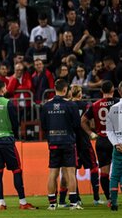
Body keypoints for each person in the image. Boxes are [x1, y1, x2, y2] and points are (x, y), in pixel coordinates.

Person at [0, 79, 37, 210]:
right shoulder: (8, 103)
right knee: (16, 170)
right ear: (2, 89)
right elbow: (15, 122)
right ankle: (23, 202)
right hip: (6, 139)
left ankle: (2, 203)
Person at [58, 85, 103, 207]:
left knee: (71, 171)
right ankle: (96, 198)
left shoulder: (66, 106)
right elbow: (92, 123)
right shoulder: (86, 105)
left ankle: (76, 198)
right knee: (93, 168)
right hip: (84, 141)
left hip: (71, 143)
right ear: (80, 93)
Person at [41, 79, 82, 210]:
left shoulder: (46, 106)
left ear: (55, 88)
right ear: (65, 90)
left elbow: (44, 126)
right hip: (68, 142)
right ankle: (73, 203)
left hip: (53, 142)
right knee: (70, 172)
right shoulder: (71, 105)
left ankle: (52, 203)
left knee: (53, 172)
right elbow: (77, 124)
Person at [81, 80, 119, 205]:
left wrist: (91, 133)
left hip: (102, 140)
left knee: (104, 172)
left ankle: (109, 199)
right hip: (117, 139)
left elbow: (83, 121)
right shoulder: (118, 102)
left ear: (101, 91)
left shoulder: (95, 105)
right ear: (113, 90)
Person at [106, 81, 122, 211]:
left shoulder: (113, 108)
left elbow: (109, 131)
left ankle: (114, 203)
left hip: (118, 146)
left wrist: (116, 143)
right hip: (118, 145)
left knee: (115, 174)